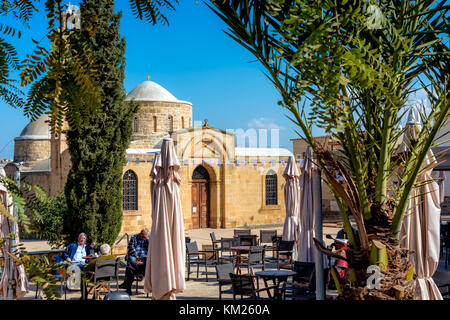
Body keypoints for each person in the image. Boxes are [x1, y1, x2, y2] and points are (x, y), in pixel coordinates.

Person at [119, 228, 150, 295]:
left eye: (145, 236)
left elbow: (150, 249)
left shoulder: (148, 238)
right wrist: (136, 256)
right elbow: (130, 247)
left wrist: (147, 239)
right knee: (131, 261)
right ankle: (128, 287)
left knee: (130, 267)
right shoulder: (134, 237)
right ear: (140, 233)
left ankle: (129, 282)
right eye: (143, 235)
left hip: (144, 256)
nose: (143, 237)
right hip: (135, 255)